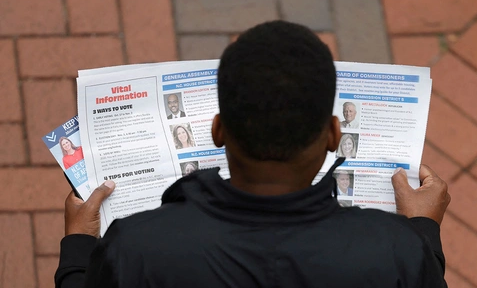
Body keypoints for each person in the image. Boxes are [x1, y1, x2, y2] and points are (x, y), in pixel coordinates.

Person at [55, 20, 450, 288]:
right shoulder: (396, 251)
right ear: (333, 134)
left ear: (218, 131)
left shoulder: (133, 247)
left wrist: (77, 246)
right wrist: (424, 234)